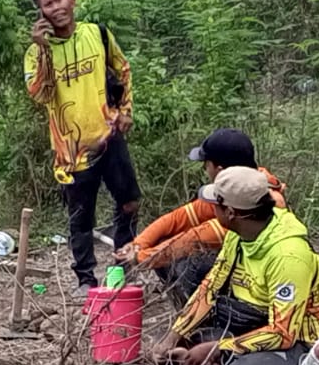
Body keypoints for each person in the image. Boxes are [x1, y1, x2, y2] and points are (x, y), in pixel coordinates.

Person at [150, 167, 319, 365]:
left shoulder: (288, 255)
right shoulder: (238, 234)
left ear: (230, 212)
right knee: (182, 348)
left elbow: (282, 333)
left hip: (298, 344)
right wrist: (175, 335)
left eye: (215, 205)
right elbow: (210, 288)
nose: (212, 210)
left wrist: (220, 348)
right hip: (255, 328)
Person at [24, 0, 139, 296]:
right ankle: (85, 279)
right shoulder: (35, 54)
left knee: (128, 203)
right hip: (70, 150)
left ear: (71, 1)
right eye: (48, 4)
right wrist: (45, 50)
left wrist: (126, 110)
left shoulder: (97, 34)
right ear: (41, 13)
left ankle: (121, 272)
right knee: (80, 217)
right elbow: (41, 95)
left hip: (109, 135)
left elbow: (123, 68)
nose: (56, 7)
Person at [116, 128, 287, 306]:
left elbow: (196, 239)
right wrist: (138, 244)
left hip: (264, 285)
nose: (205, 168)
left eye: (206, 163)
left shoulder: (258, 202)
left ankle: (211, 318)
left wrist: (141, 258)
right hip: (249, 271)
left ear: (219, 169)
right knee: (168, 245)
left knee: (191, 265)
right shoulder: (238, 187)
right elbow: (178, 218)